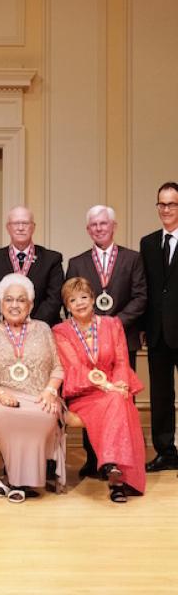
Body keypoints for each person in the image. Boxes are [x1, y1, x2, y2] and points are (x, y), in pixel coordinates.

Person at [67, 205, 146, 478]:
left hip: (121, 340)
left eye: (104, 223)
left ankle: (123, 461)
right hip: (85, 345)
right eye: (94, 225)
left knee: (119, 397)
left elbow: (140, 297)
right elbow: (71, 303)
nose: (99, 228)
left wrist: (112, 327)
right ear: (88, 229)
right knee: (92, 397)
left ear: (114, 226)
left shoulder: (133, 259)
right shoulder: (76, 263)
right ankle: (94, 459)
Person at [0, 273, 65, 503]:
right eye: (9, 300)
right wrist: (1, 395)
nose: (15, 305)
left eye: (21, 300)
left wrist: (50, 391)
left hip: (38, 394)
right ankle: (19, 480)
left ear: (31, 304)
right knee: (6, 415)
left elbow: (57, 368)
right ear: (1, 304)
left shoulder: (44, 329)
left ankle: (11, 480)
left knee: (45, 412)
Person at [53, 277, 146, 503]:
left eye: (84, 297)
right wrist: (108, 386)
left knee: (119, 401)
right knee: (118, 402)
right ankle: (118, 479)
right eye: (73, 300)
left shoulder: (112, 324)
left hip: (114, 388)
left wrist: (121, 384)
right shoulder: (61, 331)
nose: (80, 303)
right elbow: (74, 367)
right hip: (85, 394)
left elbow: (122, 361)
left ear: (93, 299)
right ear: (67, 306)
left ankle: (114, 469)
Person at [140, 182, 178, 472]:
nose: (166, 210)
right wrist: (143, 326)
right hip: (157, 333)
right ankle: (166, 452)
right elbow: (147, 290)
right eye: (161, 204)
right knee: (161, 395)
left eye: (172, 204)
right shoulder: (148, 243)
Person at [0, 206, 64, 330]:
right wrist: (9, 322)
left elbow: (54, 298)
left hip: (41, 329)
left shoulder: (52, 259)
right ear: (8, 228)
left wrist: (32, 326)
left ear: (33, 227)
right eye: (15, 223)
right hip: (0, 329)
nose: (20, 228)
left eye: (25, 223)